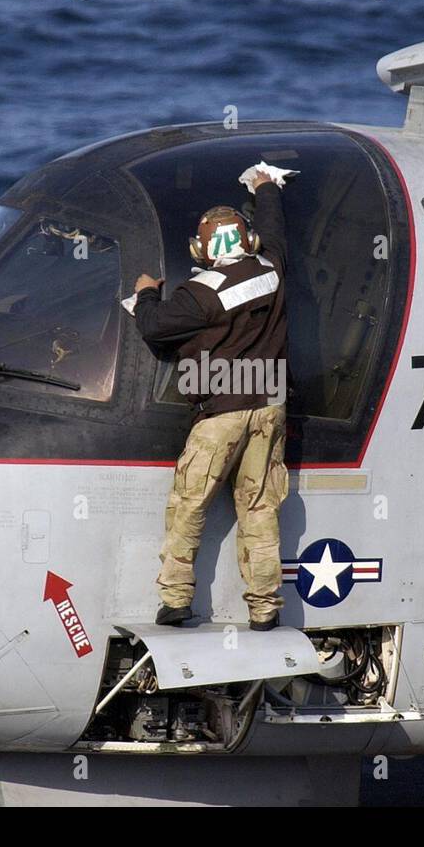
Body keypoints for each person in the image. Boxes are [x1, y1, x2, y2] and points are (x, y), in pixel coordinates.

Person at [131, 169, 291, 630]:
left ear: (200, 252)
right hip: (270, 409)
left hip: (220, 415)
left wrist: (145, 295)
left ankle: (177, 600)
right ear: (251, 240)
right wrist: (264, 186)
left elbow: (155, 327)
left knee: (189, 505)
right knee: (259, 511)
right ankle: (263, 610)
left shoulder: (200, 292)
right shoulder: (273, 269)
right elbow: (276, 229)